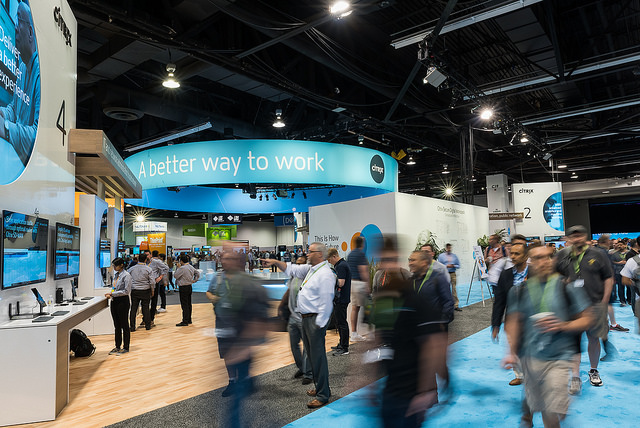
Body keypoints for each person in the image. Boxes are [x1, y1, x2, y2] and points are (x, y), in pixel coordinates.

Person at [503, 244, 593, 428]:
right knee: (541, 407)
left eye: (548, 256)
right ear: (529, 262)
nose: (544, 261)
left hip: (559, 357)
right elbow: (512, 322)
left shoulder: (566, 287)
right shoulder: (518, 291)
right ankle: (529, 416)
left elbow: (588, 319)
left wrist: (564, 325)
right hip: (530, 358)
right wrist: (510, 352)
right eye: (538, 258)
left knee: (551, 410)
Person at [380, 238, 449, 428]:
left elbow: (448, 302)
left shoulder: (438, 277)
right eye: (409, 260)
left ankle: (431, 392)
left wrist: (442, 324)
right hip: (409, 344)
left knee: (430, 360)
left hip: (433, 330)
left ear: (424, 262)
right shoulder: (408, 283)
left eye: (413, 260)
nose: (409, 263)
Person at [262, 242, 336, 409]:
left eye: (310, 252)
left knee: (318, 358)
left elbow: (327, 302)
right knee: (313, 358)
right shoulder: (312, 269)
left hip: (315, 321)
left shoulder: (325, 274)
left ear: (320, 254)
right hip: (307, 319)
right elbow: (292, 269)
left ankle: (323, 395)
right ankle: (320, 388)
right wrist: (274, 262)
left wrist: (318, 326)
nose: (307, 254)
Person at [205, 249, 269, 426]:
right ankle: (234, 381)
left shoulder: (247, 282)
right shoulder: (218, 278)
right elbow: (209, 292)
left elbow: (259, 313)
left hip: (242, 331)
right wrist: (214, 298)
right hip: (223, 323)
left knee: (241, 358)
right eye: (223, 259)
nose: (225, 262)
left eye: (229, 259)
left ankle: (244, 381)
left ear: (239, 261)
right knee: (226, 353)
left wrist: (249, 337)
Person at [555, 225, 614, 391]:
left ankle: (593, 371)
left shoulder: (598, 254)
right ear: (568, 239)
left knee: (594, 338)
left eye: (580, 235)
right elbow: (554, 276)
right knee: (574, 342)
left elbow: (608, 278)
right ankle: (575, 376)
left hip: (595, 304)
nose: (577, 239)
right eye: (573, 236)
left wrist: (604, 302)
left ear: (585, 236)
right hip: (572, 307)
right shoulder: (562, 255)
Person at [0, 1, 40, 167]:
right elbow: (14, 109)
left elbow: (38, 137)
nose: (15, 28)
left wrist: (6, 129)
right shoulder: (22, 67)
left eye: (18, 21)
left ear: (30, 32)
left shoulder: (40, 74)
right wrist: (2, 113)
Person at [491, 242, 529, 386]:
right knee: (514, 346)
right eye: (511, 253)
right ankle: (519, 375)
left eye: (517, 254)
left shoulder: (535, 272)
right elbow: (499, 301)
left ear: (526, 256)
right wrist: (495, 325)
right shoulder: (505, 275)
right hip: (512, 319)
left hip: (532, 318)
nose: (513, 256)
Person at [277, 254, 313, 384]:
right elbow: (288, 291)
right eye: (297, 263)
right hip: (293, 317)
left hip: (304, 317)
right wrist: (281, 305)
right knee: (294, 345)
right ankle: (302, 368)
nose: (298, 266)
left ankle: (308, 373)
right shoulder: (294, 277)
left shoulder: (309, 278)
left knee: (307, 347)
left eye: (301, 264)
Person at [327, 248, 352, 356]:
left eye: (329, 260)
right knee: (339, 322)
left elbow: (341, 283)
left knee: (342, 323)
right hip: (341, 298)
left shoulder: (341, 266)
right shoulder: (341, 264)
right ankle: (341, 344)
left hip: (341, 298)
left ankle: (344, 347)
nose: (329, 262)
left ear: (334, 256)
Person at [105, 257, 131, 354]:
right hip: (114, 301)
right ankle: (117, 346)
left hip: (123, 302)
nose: (114, 267)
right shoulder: (116, 275)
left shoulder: (126, 275)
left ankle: (126, 347)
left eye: (115, 266)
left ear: (121, 265)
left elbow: (126, 291)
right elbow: (114, 287)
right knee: (117, 325)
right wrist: (112, 294)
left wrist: (113, 294)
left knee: (124, 325)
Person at [347, 236, 370, 342]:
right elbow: (363, 271)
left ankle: (354, 333)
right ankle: (368, 333)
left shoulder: (350, 254)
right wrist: (368, 285)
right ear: (362, 244)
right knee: (367, 308)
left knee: (355, 308)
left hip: (352, 283)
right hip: (359, 284)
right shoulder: (360, 254)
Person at [127, 252, 155, 331]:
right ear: (146, 260)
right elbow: (152, 282)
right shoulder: (148, 269)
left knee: (133, 308)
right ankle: (148, 326)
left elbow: (128, 279)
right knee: (145, 308)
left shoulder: (131, 269)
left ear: (138, 259)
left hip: (134, 291)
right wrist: (152, 290)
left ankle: (132, 327)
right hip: (145, 290)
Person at [175, 254, 200, 326]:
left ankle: (185, 321)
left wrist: (178, 268)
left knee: (184, 304)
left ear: (181, 261)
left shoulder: (182, 268)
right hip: (189, 286)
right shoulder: (191, 267)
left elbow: (176, 276)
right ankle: (189, 319)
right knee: (189, 303)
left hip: (183, 287)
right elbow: (197, 273)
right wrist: (194, 280)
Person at [437, 243, 461, 311]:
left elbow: (458, 265)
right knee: (444, 289)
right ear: (446, 248)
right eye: (448, 247)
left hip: (453, 274)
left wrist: (453, 266)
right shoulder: (441, 256)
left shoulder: (454, 256)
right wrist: (446, 266)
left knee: (454, 289)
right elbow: (439, 265)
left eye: (450, 247)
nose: (449, 249)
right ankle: (445, 305)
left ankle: (456, 305)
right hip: (444, 274)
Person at [148, 250, 169, 324]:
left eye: (148, 254)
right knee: (145, 302)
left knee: (154, 300)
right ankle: (145, 318)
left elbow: (166, 269)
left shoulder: (157, 262)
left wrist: (160, 277)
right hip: (146, 283)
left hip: (155, 282)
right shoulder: (145, 262)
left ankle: (151, 318)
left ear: (151, 254)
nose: (147, 256)